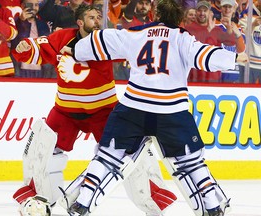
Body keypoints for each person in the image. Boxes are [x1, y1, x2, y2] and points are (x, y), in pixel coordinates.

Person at [63, 0, 248, 215]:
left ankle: (83, 201)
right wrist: (234, 57)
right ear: (178, 17)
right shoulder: (183, 39)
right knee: (191, 163)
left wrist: (77, 49)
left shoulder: (135, 33)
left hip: (134, 108)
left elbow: (103, 40)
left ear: (154, 13)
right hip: (171, 112)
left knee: (108, 156)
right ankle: (212, 206)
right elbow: (205, 56)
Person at [11, 4, 175, 216]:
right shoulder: (62, 38)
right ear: (80, 22)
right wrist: (25, 46)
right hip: (66, 112)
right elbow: (37, 47)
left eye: (99, 17)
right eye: (92, 17)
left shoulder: (107, 40)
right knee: (42, 148)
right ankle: (39, 201)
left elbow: (136, 45)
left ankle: (153, 201)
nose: (97, 21)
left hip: (104, 112)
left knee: (131, 152)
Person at [185, 0, 239, 82]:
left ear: (210, 12)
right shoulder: (188, 29)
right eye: (199, 10)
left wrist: (228, 27)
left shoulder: (216, 29)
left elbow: (231, 42)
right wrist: (208, 31)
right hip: (193, 80)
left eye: (205, 11)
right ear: (196, 12)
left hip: (213, 80)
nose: (202, 13)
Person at [11, 0, 54, 78]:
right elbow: (15, 40)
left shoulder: (43, 24)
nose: (33, 8)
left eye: (36, 5)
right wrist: (22, 21)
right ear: (23, 5)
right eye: (30, 5)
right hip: (20, 68)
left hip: (40, 69)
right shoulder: (14, 22)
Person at [215, 0, 246, 82]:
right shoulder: (214, 26)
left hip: (235, 74)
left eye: (230, 7)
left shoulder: (239, 29)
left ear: (234, 9)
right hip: (217, 74)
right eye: (225, 6)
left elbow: (242, 53)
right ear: (221, 8)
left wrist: (238, 35)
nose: (227, 9)